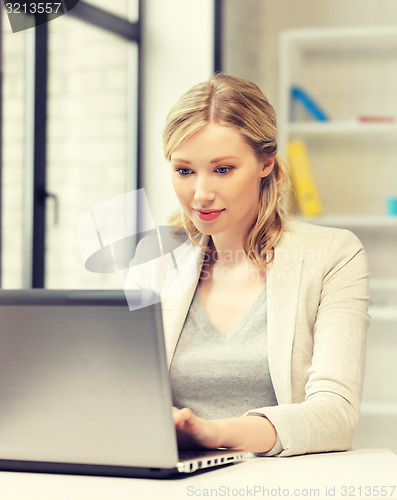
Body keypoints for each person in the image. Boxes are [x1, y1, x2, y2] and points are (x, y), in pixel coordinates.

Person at [130, 73, 370, 457]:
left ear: (265, 164)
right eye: (184, 170)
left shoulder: (334, 255)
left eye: (222, 169)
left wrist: (213, 432)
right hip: (169, 476)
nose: (201, 193)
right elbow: (125, 392)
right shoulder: (155, 259)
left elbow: (336, 416)